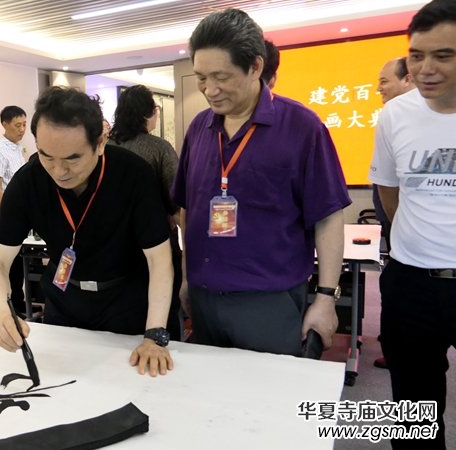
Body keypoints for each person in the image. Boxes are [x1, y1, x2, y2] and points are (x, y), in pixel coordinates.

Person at [172, 8, 351, 356]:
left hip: (269, 302)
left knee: (270, 402)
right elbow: (186, 210)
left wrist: (327, 297)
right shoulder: (199, 129)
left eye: (220, 77)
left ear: (255, 66)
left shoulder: (302, 127)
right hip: (204, 297)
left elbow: (328, 216)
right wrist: (185, 278)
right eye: (201, 77)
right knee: (209, 400)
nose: (209, 89)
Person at [0, 86, 176, 377]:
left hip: (128, 303)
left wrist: (154, 335)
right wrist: (1, 312)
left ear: (100, 142)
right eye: (47, 156)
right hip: (65, 301)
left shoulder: (132, 174)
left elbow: (159, 259)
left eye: (73, 158)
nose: (59, 171)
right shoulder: (29, 181)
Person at [369, 1, 456, 447]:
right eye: (417, 55)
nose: (426, 68)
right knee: (414, 414)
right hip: (410, 283)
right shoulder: (394, 115)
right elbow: (388, 192)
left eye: (444, 55)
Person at [109, 84, 182, 340]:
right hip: (155, 241)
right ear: (147, 114)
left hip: (111, 244)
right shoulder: (159, 148)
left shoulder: (103, 147)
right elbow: (176, 198)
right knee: (165, 303)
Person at [372, 56, 415, 370]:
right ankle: (393, 345)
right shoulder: (391, 118)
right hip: (405, 255)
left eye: (385, 81)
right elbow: (387, 190)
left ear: (407, 80)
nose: (379, 89)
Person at [0, 106, 28, 313]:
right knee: (11, 267)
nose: (22, 130)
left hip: (20, 212)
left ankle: (21, 304)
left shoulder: (16, 147)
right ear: (4, 124)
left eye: (24, 125)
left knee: (20, 266)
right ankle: (14, 307)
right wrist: (7, 217)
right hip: (8, 213)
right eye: (17, 125)